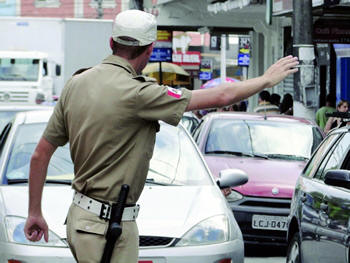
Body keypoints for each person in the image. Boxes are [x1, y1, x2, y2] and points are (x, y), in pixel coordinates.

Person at [23, 9, 299, 263]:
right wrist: (265, 79)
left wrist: (34, 212)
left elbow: (40, 154)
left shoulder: (75, 84)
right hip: (108, 225)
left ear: (111, 43)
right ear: (149, 51)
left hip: (81, 218)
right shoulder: (139, 93)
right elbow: (222, 95)